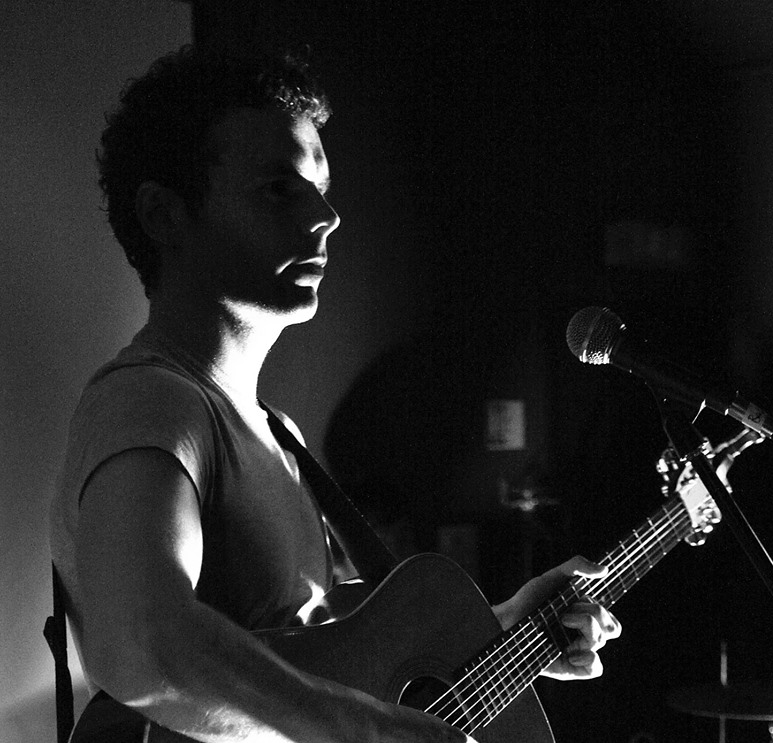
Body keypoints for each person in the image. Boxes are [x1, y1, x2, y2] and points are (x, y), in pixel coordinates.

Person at [49, 45, 621, 743]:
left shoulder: (275, 431)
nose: (326, 216)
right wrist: (371, 731)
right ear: (164, 215)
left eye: (321, 188)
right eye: (279, 189)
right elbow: (143, 643)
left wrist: (497, 629)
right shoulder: (151, 402)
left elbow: (329, 658)